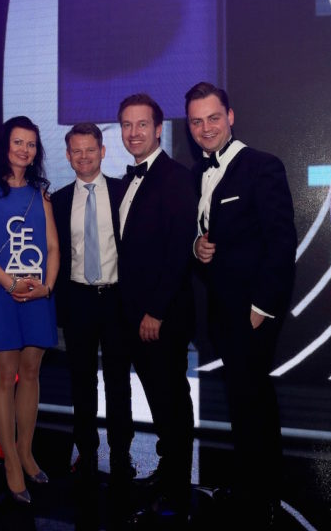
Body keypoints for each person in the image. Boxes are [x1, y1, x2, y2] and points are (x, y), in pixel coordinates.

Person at [186, 82, 297, 527]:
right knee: (241, 402)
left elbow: (281, 242)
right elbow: (204, 237)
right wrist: (197, 246)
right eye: (197, 121)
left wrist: (262, 309)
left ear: (230, 117)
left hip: (252, 314)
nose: (206, 128)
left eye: (213, 118)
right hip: (221, 312)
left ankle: (264, 497)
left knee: (255, 404)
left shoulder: (261, 166)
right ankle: (250, 487)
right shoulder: (197, 174)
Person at [0, 116, 59, 505]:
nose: (24, 149)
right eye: (18, 142)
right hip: (3, 293)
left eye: (31, 144)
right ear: (5, 145)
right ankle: (10, 463)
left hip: (37, 295)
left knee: (31, 373)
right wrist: (10, 284)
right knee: (5, 377)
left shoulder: (41, 194)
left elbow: (52, 247)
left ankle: (25, 451)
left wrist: (47, 287)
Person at [115, 94, 197, 521]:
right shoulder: (127, 181)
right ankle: (168, 474)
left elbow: (179, 251)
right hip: (134, 316)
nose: (134, 133)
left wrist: (157, 312)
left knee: (172, 402)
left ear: (159, 129)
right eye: (127, 125)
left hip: (160, 318)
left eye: (142, 124)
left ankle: (178, 492)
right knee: (161, 401)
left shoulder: (176, 177)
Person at [52, 123, 135, 484]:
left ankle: (121, 454)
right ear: (68, 155)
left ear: (102, 151)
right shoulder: (57, 201)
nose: (83, 157)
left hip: (116, 299)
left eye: (90, 149)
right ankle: (86, 454)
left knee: (118, 381)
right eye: (77, 151)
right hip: (78, 301)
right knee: (81, 381)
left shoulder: (124, 192)